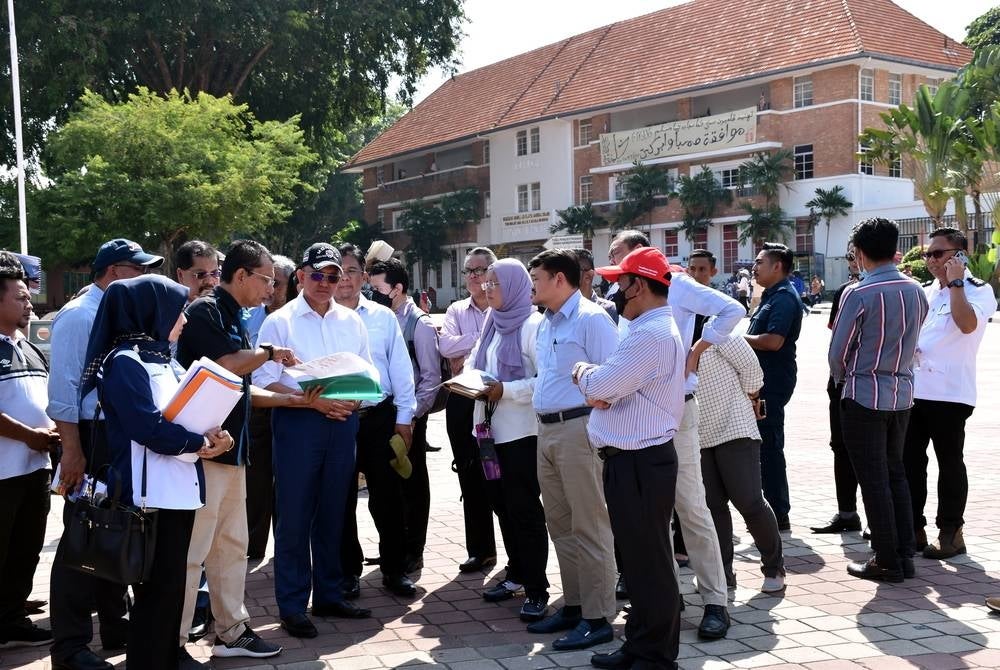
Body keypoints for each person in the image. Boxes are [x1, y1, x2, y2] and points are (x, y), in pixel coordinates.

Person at [81, 275, 234, 670]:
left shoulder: (161, 357)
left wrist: (216, 435)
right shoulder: (124, 363)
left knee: (171, 588)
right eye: (176, 309)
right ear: (152, 312)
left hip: (178, 488)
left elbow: (187, 411)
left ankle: (166, 658)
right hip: (148, 495)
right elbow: (145, 426)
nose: (183, 318)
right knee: (155, 592)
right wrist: (199, 444)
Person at [176, 240, 318, 666]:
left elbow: (239, 385)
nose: (271, 289)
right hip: (203, 451)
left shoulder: (234, 316)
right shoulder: (206, 311)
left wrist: (295, 401)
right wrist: (270, 354)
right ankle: (174, 639)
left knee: (233, 547)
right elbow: (226, 365)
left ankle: (231, 631)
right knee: (193, 552)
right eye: (266, 280)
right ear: (241, 276)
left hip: (232, 451)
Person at [617, 239, 744, 640]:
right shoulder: (624, 297)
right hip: (638, 413)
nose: (617, 271)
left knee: (690, 506)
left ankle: (715, 600)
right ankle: (666, 598)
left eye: (621, 259)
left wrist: (700, 348)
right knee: (652, 514)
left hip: (678, 407)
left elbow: (733, 308)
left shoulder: (679, 285)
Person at [47, 238, 163, 670]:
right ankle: (71, 647)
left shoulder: (116, 310)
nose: (146, 278)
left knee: (114, 528)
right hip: (88, 436)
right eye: (140, 270)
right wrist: (72, 452)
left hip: (112, 434)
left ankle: (116, 625)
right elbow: (63, 393)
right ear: (115, 271)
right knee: (83, 536)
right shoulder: (80, 315)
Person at [252, 243, 374, 639]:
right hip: (297, 424)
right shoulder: (280, 321)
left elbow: (367, 372)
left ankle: (329, 593)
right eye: (317, 275)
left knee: (334, 511)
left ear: (344, 279)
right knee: (294, 515)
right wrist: (311, 403)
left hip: (342, 424)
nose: (325, 283)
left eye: (333, 276)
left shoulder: (352, 321)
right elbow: (261, 380)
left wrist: (356, 399)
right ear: (302, 276)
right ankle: (291, 604)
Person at [572, 246, 685, 670]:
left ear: (638, 285)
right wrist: (599, 384)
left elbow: (601, 386)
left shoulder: (651, 333)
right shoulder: (645, 329)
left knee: (649, 562)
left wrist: (584, 373)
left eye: (620, 282)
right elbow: (607, 388)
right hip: (633, 460)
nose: (613, 289)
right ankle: (640, 646)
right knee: (639, 562)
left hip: (640, 461)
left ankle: (655, 655)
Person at [526, 250, 619, 651]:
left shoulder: (591, 319)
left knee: (590, 524)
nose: (533, 286)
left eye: (537, 279)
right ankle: (576, 605)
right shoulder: (546, 322)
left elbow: (613, 376)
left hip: (579, 429)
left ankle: (598, 617)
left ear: (560, 280)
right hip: (546, 431)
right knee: (560, 525)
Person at [829, 218, 928, 582]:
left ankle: (886, 558)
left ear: (860, 252)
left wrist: (845, 381)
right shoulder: (917, 290)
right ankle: (903, 554)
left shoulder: (858, 293)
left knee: (873, 479)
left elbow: (837, 353)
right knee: (895, 475)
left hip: (864, 394)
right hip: (902, 394)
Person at [903, 228, 997, 559]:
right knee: (910, 461)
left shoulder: (977, 290)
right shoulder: (926, 292)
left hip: (950, 393)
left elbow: (966, 324)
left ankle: (951, 532)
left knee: (950, 463)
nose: (930, 260)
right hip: (916, 389)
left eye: (938, 254)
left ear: (958, 257)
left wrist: (955, 283)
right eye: (928, 254)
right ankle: (913, 528)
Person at [467, 259, 550, 622]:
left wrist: (505, 390)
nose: (487, 290)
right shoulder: (491, 322)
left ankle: (537, 588)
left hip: (521, 434)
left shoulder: (534, 325)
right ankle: (515, 574)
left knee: (525, 509)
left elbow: (544, 381)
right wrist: (469, 381)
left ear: (516, 285)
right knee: (502, 506)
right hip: (488, 433)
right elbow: (474, 362)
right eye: (485, 284)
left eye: (494, 283)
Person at [335, 244, 419, 599]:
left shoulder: (382, 317)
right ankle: (347, 572)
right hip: (336, 417)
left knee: (387, 497)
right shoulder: (319, 319)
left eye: (351, 271)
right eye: (335, 272)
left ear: (363, 276)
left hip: (379, 416)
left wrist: (404, 418)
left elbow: (400, 368)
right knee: (340, 499)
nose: (343, 280)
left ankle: (394, 569)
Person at [368, 258, 442, 575]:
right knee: (387, 489)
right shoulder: (377, 319)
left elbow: (430, 378)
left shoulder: (419, 324)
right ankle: (394, 548)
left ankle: (415, 550)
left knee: (412, 484)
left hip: (411, 416)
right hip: (385, 414)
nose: (371, 295)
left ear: (397, 289)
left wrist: (411, 414)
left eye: (377, 289)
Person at [0, 261, 57, 650]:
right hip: (3, 473)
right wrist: (28, 435)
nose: (30, 303)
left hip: (35, 468)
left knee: (27, 546)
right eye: (20, 297)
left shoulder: (30, 346)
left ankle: (10, 615)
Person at [438, 247, 499, 573]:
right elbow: (445, 347)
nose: (474, 276)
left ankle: (517, 552)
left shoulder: (505, 307)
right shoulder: (456, 309)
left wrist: (466, 344)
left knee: (501, 474)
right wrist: (480, 338)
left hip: (496, 398)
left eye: (480, 269)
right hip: (461, 398)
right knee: (470, 473)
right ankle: (481, 550)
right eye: (469, 271)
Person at [745, 243, 803, 530]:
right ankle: (768, 510)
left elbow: (773, 341)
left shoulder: (783, 298)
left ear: (777, 265)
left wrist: (738, 340)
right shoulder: (770, 295)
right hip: (763, 380)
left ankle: (777, 513)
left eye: (760, 262)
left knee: (769, 446)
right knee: (763, 446)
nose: (754, 267)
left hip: (773, 382)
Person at [245, 254, 296, 560]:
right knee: (257, 477)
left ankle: (287, 544)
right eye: (267, 281)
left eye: (277, 282)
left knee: (288, 480)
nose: (271, 288)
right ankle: (253, 546)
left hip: (291, 405)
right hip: (256, 405)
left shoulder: (295, 318)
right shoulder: (247, 316)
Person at [812, 248, 863, 535]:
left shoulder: (886, 289)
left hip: (868, 384)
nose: (855, 262)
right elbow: (837, 335)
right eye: (850, 258)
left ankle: (880, 520)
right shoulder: (845, 291)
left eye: (858, 256)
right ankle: (847, 513)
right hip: (840, 382)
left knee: (874, 453)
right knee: (840, 447)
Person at [571, 249, 617, 322]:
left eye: (570, 271)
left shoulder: (608, 310)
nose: (564, 276)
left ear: (588, 276)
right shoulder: (558, 310)